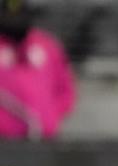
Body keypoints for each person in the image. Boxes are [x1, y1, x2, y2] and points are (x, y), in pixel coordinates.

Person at [0, 0, 75, 140]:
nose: (15, 21)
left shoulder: (47, 46)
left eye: (19, 15)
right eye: (9, 16)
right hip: (3, 141)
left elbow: (66, 91)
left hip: (44, 139)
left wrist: (49, 115)